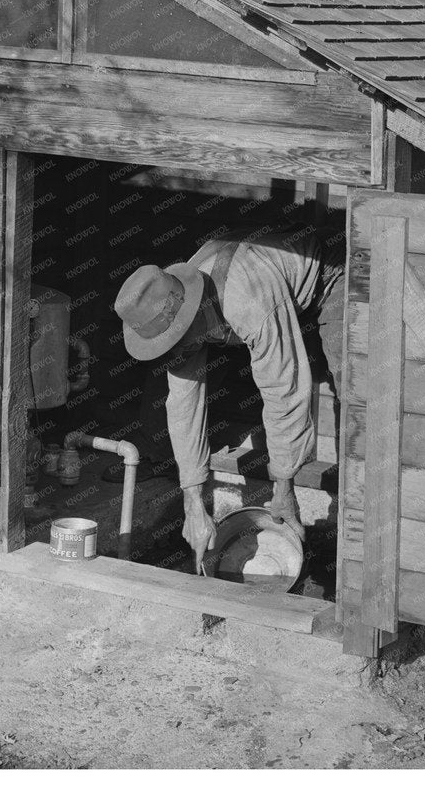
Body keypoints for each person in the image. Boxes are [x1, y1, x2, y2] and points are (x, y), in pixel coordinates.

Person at [112, 226, 343, 569]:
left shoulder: (248, 299)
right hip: (262, 293)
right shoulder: (176, 302)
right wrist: (193, 500)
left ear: (190, 316)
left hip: (326, 279)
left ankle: (360, 513)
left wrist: (284, 489)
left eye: (176, 339)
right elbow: (183, 404)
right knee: (177, 380)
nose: (174, 349)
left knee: (356, 384)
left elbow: (285, 390)